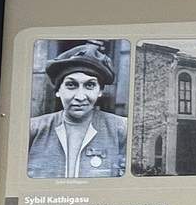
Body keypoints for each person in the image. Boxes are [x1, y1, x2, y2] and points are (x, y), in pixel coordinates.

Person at [28, 43, 128, 178]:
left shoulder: (121, 130)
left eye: (90, 85)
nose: (80, 97)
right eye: (71, 85)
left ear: (100, 91)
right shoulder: (33, 129)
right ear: (58, 90)